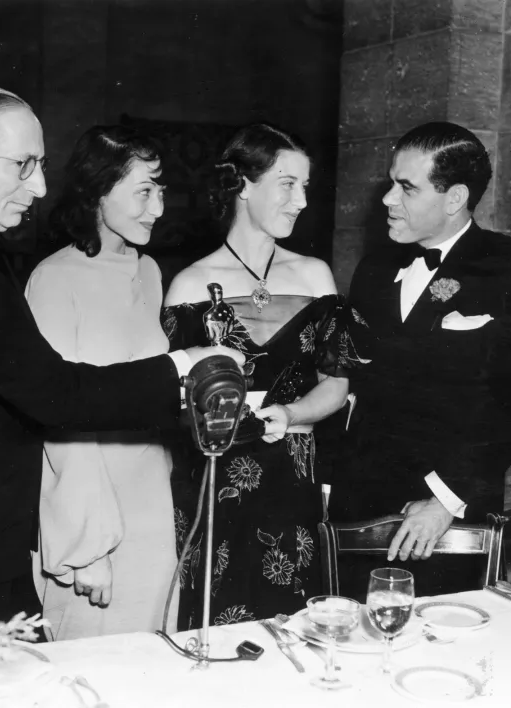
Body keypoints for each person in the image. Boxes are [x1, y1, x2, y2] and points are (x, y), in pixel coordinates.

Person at [0, 84, 240, 638]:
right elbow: (55, 394)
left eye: (42, 165)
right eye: (23, 165)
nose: (40, 186)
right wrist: (182, 367)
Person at [332, 121, 511, 597]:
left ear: (454, 199)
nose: (388, 199)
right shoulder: (373, 269)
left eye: (406, 188)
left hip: (448, 517)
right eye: (392, 183)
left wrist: (442, 501)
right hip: (359, 507)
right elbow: (354, 389)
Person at [163, 123, 366, 628]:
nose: (300, 200)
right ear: (243, 185)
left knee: (293, 624)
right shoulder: (189, 284)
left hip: (290, 479)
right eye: (287, 183)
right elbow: (171, 399)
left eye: (305, 186)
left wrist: (292, 413)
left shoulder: (314, 276)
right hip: (213, 478)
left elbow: (337, 384)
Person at [25, 125, 178, 640]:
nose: (157, 207)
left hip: (151, 505)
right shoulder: (54, 279)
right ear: (97, 191)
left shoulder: (150, 270)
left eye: (160, 190)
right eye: (143, 191)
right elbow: (58, 423)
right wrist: (88, 549)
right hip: (89, 520)